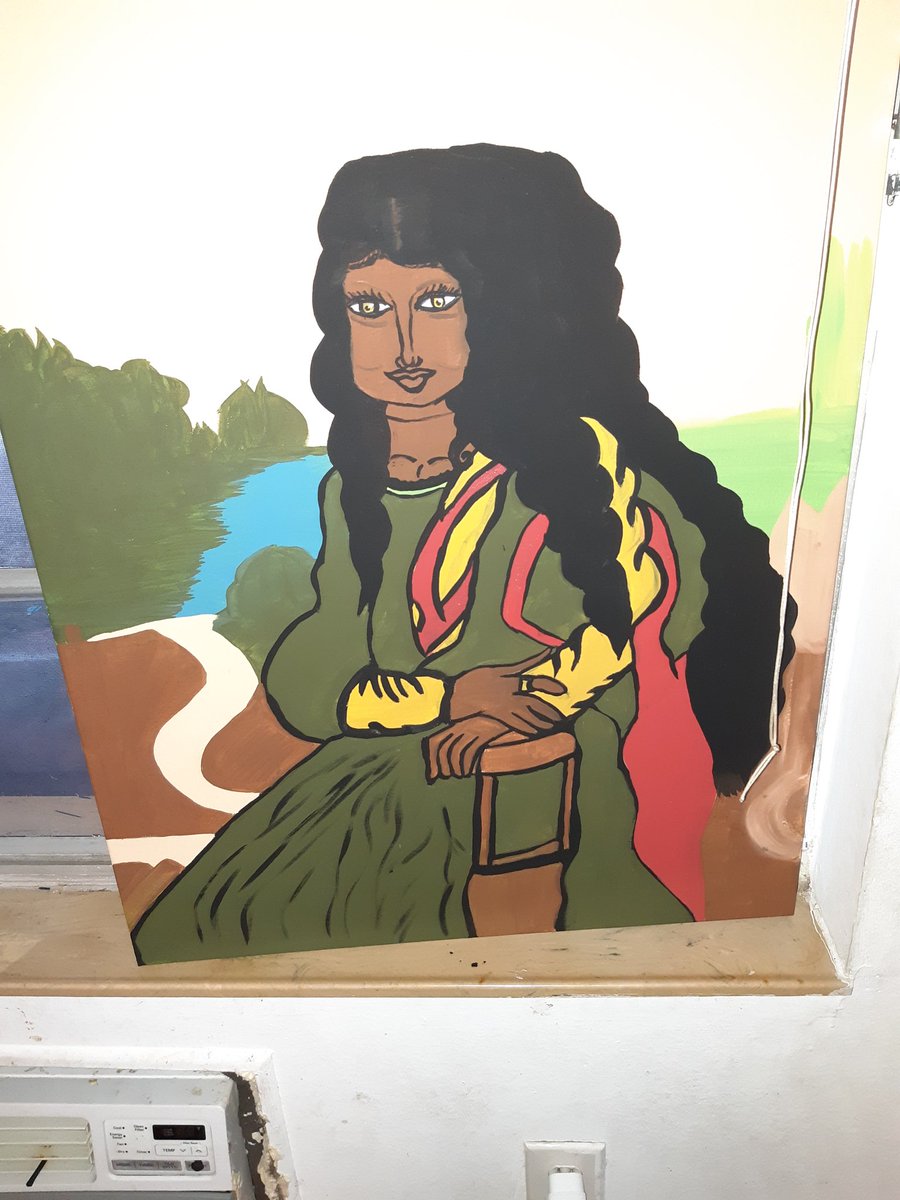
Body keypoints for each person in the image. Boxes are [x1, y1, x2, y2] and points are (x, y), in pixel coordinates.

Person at [132, 145, 791, 965]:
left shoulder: (581, 470)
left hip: (546, 777)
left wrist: (505, 701)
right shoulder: (353, 490)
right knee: (216, 923)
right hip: (389, 764)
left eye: (437, 300)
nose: (403, 343)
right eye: (368, 305)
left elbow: (622, 636)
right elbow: (308, 674)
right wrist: (446, 698)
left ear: (502, 302)